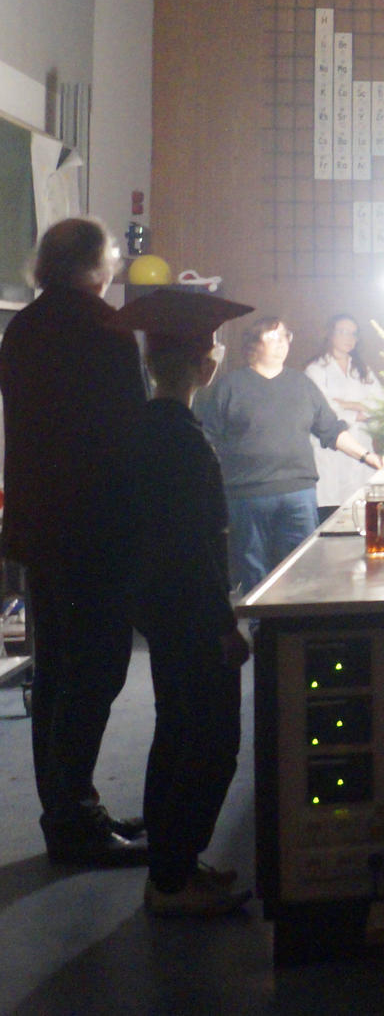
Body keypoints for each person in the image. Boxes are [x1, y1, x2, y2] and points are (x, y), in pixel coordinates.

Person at [0, 218, 150, 864]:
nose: (116, 264)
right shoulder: (105, 328)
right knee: (96, 670)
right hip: (95, 526)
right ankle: (77, 820)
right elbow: (128, 434)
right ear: (94, 264)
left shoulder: (22, 326)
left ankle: (64, 812)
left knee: (57, 672)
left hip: (39, 525)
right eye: (113, 255)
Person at [111, 288, 257, 916]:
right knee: (210, 743)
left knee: (176, 733)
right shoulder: (184, 441)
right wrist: (225, 625)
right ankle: (172, 882)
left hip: (161, 609)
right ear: (208, 366)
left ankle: (172, 867)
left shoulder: (147, 428)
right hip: (191, 613)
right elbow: (196, 546)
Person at [198, 318, 383, 595]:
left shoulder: (302, 385)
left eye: (285, 338)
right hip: (247, 494)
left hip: (298, 492)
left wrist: (366, 455)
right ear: (252, 345)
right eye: (272, 338)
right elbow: (206, 439)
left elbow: (330, 430)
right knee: (254, 570)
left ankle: (295, 627)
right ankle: (262, 630)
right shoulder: (229, 387)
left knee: (302, 568)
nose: (280, 345)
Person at [302, 314, 384, 522]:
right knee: (332, 513)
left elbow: (381, 403)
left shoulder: (363, 369)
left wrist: (348, 406)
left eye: (353, 334)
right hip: (331, 451)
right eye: (342, 332)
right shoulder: (316, 369)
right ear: (330, 334)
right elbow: (324, 409)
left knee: (361, 510)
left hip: (362, 446)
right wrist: (357, 410)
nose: (349, 338)